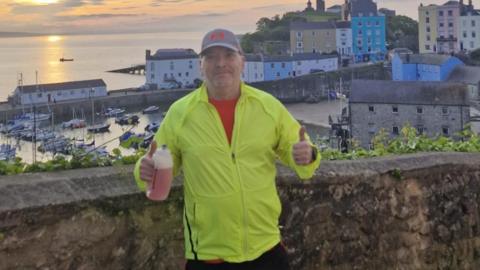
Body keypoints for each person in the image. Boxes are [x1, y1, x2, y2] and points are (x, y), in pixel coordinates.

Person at [134, 28, 321, 270]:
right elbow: (154, 164)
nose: (220, 64)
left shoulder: (268, 107)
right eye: (211, 57)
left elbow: (303, 155)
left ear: (242, 62)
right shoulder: (180, 114)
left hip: (266, 248)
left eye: (228, 56)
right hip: (208, 255)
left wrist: (308, 156)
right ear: (201, 65)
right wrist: (143, 170)